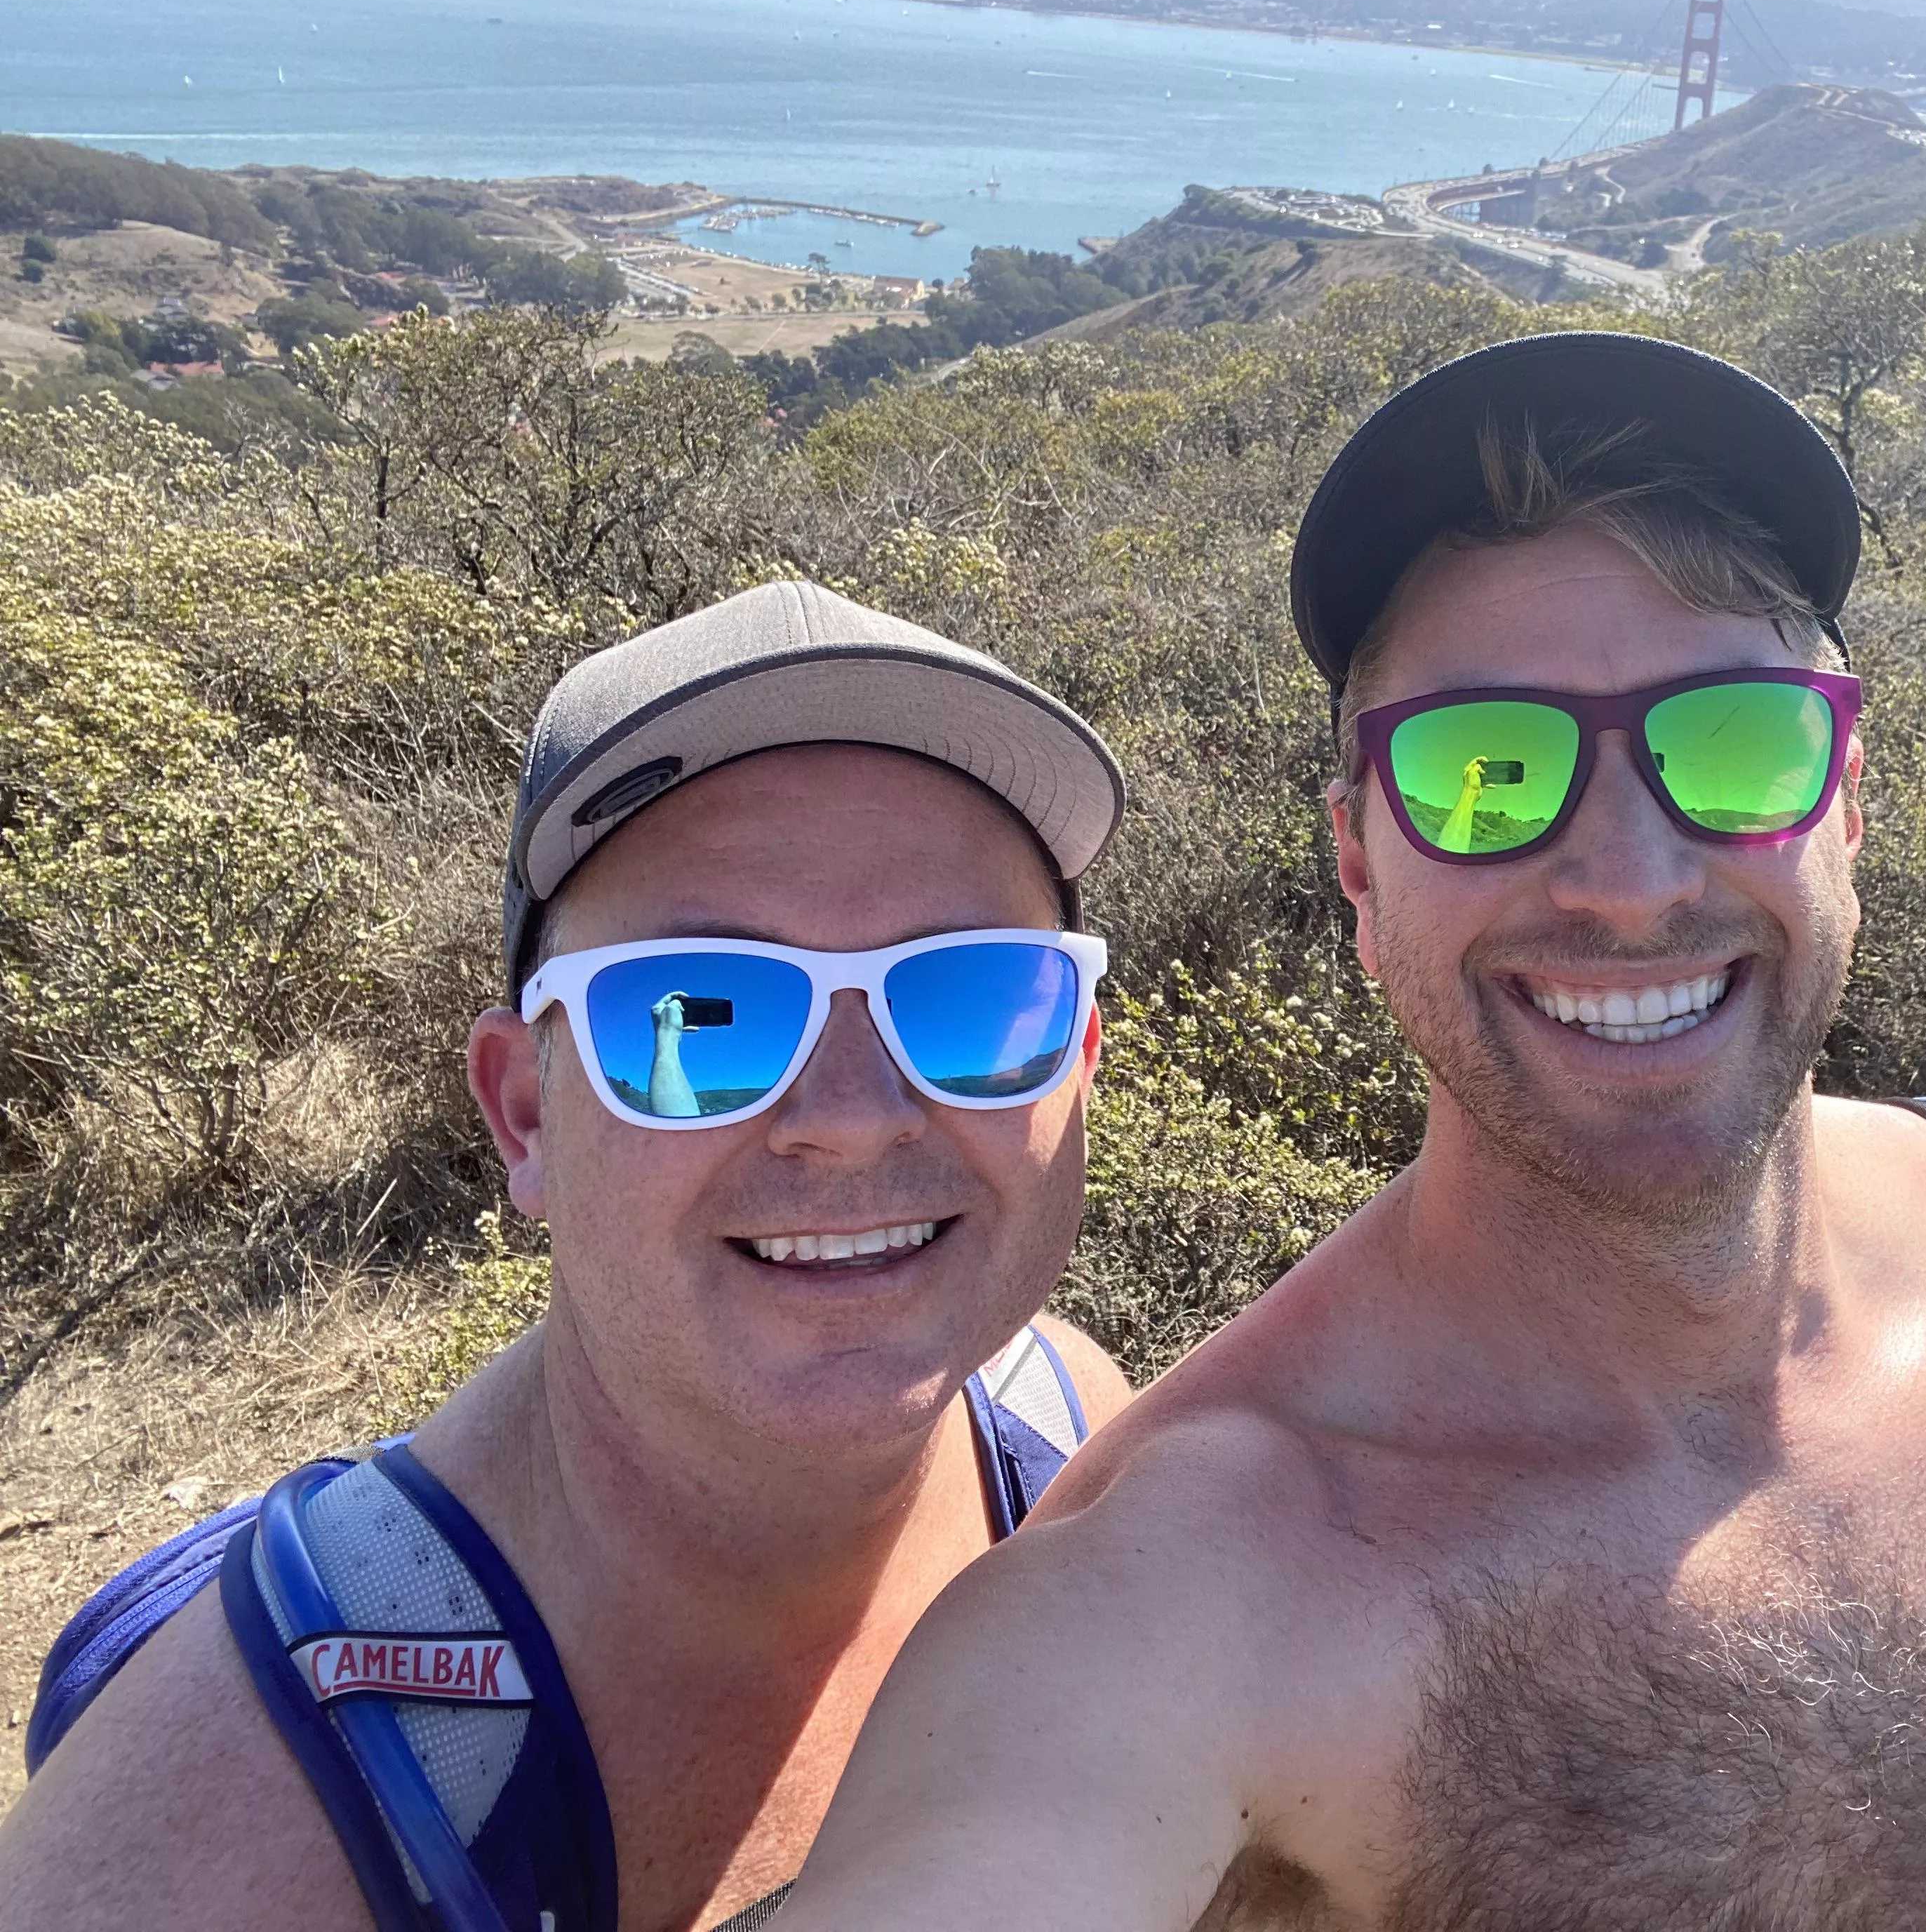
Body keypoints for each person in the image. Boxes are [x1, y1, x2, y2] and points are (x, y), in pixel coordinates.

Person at [779, 334, 1926, 1932]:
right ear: (1360, 866)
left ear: (1847, 799)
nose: (1629, 883)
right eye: (1484, 773)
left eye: (1736, 741)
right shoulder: (1174, 1600)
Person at [1, 580, 1134, 1932]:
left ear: (1079, 1060)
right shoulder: (220, 1840)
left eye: (971, 996)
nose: (848, 1116)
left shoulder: (1073, 1445)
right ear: (526, 1116)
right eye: (697, 1016)